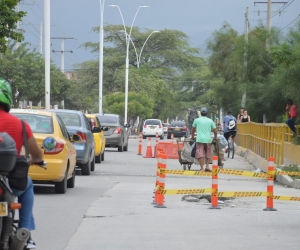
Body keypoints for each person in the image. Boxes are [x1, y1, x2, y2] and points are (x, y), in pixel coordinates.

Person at [0, 78, 43, 249]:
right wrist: (33, 160)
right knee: (28, 184)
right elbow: (37, 154)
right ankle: (25, 232)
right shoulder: (20, 125)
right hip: (12, 183)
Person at [191, 107, 218, 172]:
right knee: (208, 153)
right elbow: (215, 130)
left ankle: (202, 168)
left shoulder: (196, 120)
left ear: (200, 113)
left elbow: (193, 130)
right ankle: (207, 166)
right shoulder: (210, 121)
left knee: (200, 154)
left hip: (199, 139)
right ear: (207, 113)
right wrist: (215, 137)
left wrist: (192, 136)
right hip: (208, 140)